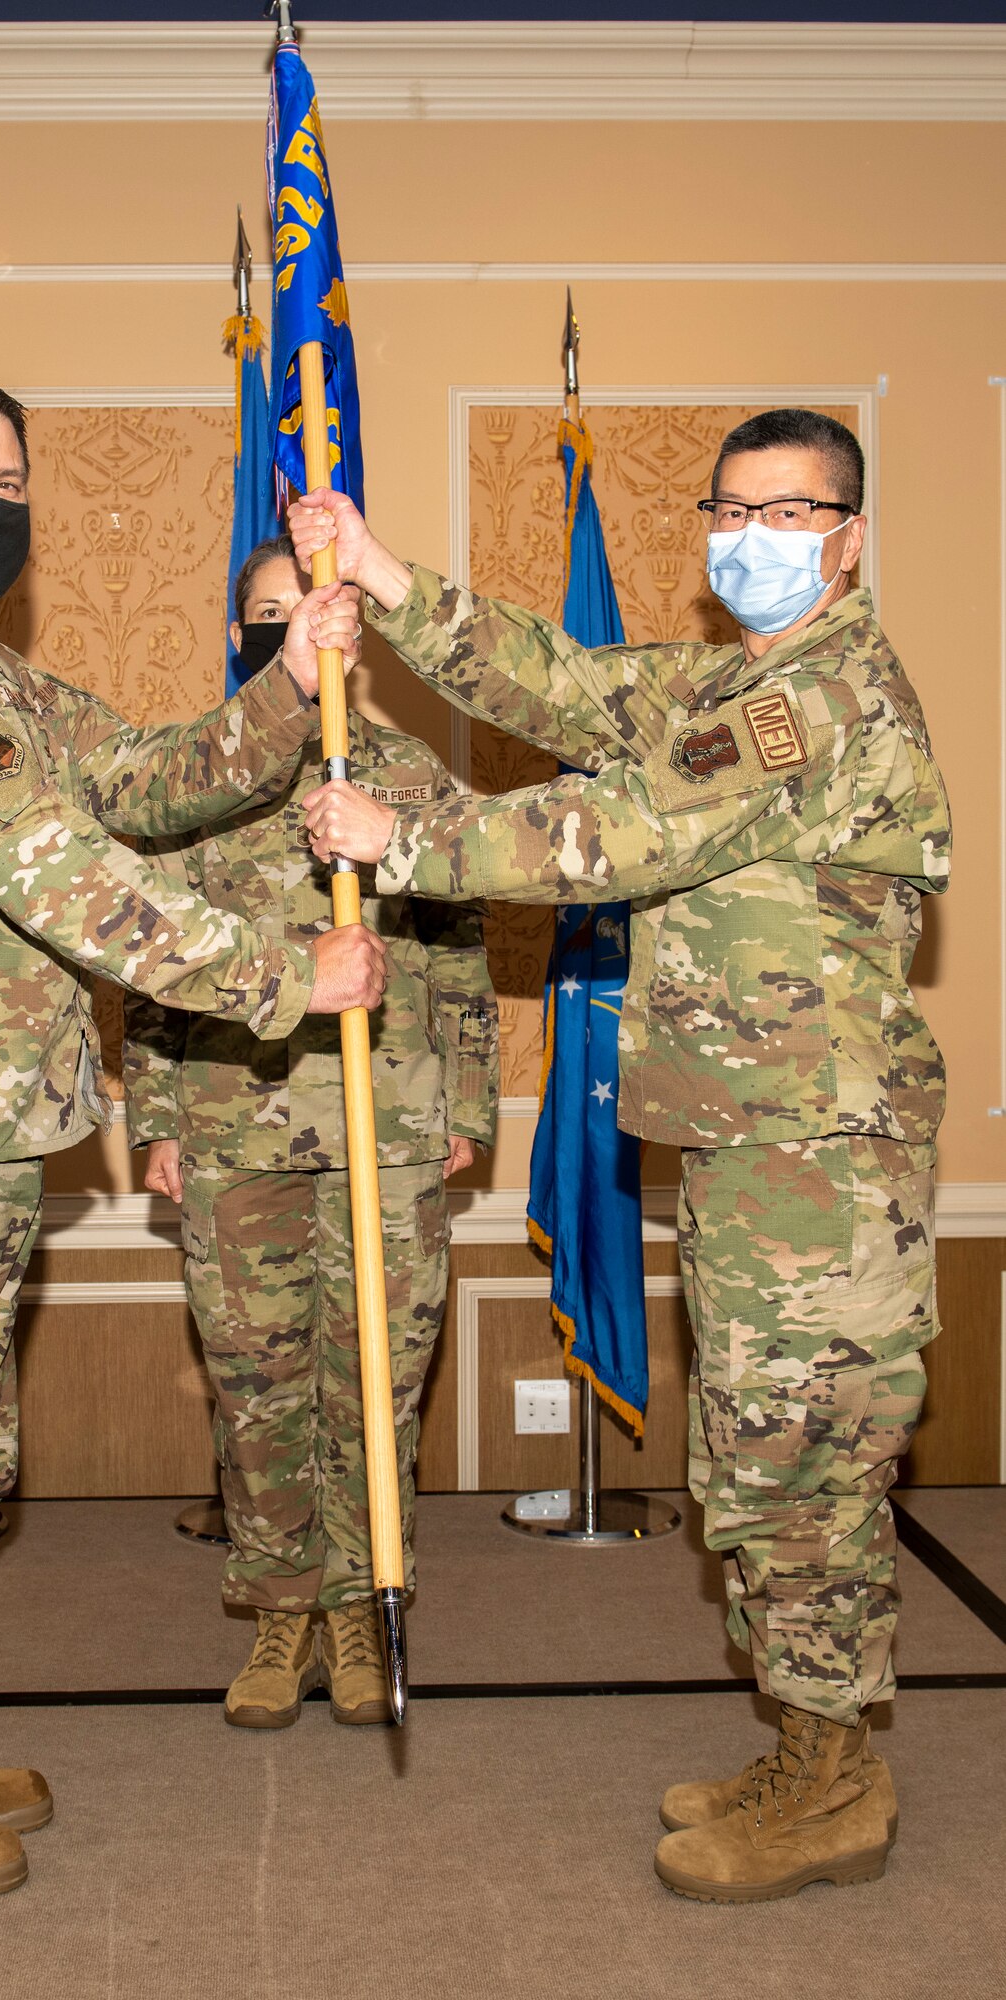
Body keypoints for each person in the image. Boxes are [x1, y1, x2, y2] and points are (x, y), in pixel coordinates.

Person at [290, 408, 950, 1902]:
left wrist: (407, 838)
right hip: (751, 1144)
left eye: (792, 515)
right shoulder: (728, 677)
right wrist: (390, 580)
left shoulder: (818, 700)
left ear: (850, 537)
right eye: (732, 509)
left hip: (820, 1164)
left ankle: (837, 1781)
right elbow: (570, 684)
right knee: (761, 1464)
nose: (753, 537)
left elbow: (631, 827)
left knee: (806, 1473)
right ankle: (806, 1741)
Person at [0, 373, 387, 1898]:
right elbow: (70, 881)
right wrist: (279, 975)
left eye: (9, 477)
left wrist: (288, 685)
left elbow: (137, 785)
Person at [124, 536, 498, 1729]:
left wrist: (468, 1106)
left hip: (385, 1123)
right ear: (244, 631)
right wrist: (159, 1113)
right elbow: (144, 961)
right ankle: (281, 1612)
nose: (285, 621)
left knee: (376, 1387)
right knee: (258, 1387)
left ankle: (362, 1602)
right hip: (236, 1125)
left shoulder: (408, 778)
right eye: (262, 610)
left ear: (350, 622)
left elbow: (460, 950)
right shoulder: (200, 777)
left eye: (305, 602)